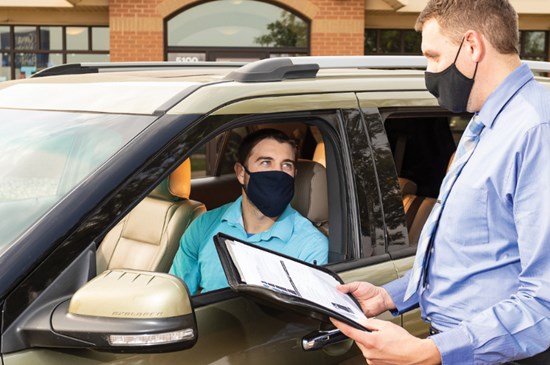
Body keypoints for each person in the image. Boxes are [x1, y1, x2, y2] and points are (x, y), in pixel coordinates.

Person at [331, 0, 550, 364]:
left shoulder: (537, 130)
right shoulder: (482, 122)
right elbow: (472, 258)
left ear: (472, 46)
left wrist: (430, 353)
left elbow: (544, 301)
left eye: (433, 56)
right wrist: (390, 296)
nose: (430, 71)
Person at [170, 128, 328, 294]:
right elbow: (176, 297)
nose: (278, 173)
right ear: (241, 173)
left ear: (294, 174)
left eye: (286, 165)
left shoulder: (312, 246)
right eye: (266, 162)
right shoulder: (204, 226)